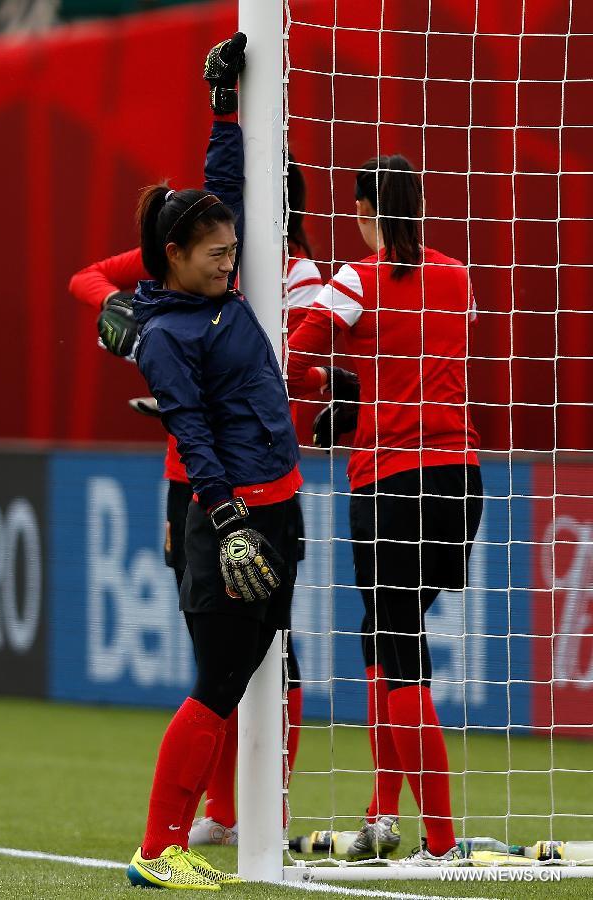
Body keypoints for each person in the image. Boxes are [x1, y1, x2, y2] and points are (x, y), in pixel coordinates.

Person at [69, 34, 320, 852]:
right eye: (216, 252)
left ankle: (243, 819)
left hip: (270, 500)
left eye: (231, 247)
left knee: (261, 670)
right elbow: (191, 427)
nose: (231, 258)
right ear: (170, 256)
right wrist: (220, 513)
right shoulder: (167, 323)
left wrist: (223, 102)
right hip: (224, 501)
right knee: (221, 677)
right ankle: (176, 838)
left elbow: (223, 179)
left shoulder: (217, 270)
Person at [288, 154, 483, 865]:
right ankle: (382, 811)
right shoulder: (459, 277)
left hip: (390, 485)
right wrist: (364, 393)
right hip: (461, 481)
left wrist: (340, 395)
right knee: (384, 632)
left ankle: (440, 843)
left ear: (367, 210)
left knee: (398, 648)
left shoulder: (355, 281)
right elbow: (427, 360)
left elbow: (289, 361)